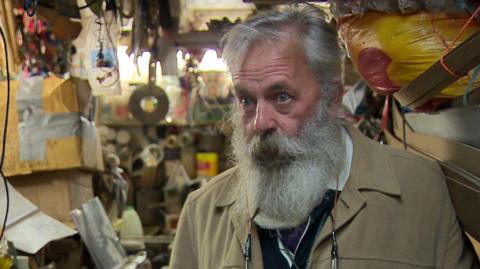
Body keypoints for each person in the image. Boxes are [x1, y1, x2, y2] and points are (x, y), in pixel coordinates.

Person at [169, 5, 479, 269]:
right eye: (247, 100)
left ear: (332, 97)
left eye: (282, 97)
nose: (259, 123)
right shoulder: (203, 212)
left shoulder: (420, 191)